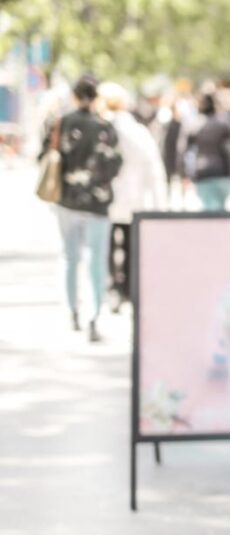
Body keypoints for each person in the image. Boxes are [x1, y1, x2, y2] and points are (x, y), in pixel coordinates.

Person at [46, 75, 123, 342]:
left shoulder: (64, 123)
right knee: (97, 261)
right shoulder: (105, 127)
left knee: (70, 258)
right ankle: (94, 316)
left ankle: (72, 311)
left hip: (67, 199)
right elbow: (115, 165)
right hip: (97, 202)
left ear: (75, 97)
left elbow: (50, 156)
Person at [98, 82, 168, 310]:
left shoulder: (100, 128)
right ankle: (127, 287)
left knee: (106, 245)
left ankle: (111, 287)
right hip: (133, 198)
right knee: (129, 244)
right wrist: (159, 203)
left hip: (105, 199)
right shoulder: (137, 130)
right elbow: (154, 168)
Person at [184, 93, 230, 211]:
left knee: (208, 209)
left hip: (202, 172)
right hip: (220, 171)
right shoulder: (222, 126)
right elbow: (229, 151)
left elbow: (185, 152)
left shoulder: (194, 126)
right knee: (219, 209)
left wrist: (185, 173)